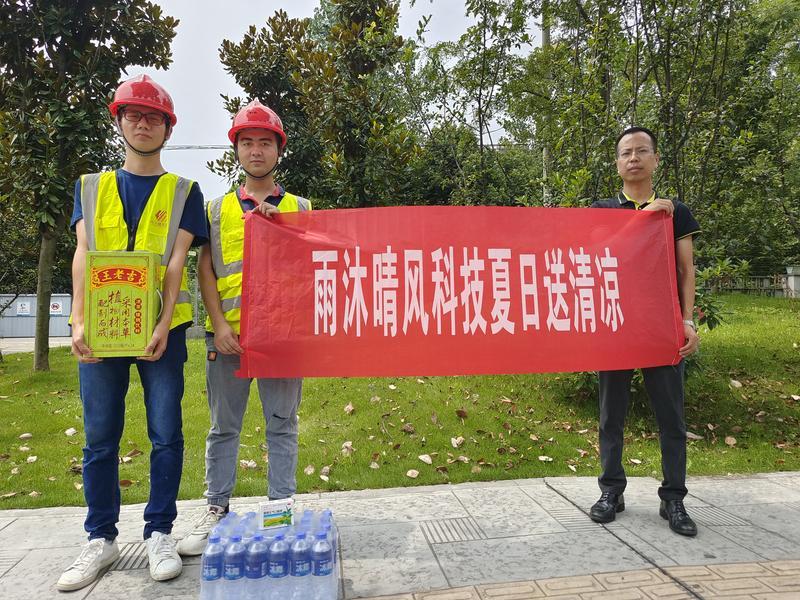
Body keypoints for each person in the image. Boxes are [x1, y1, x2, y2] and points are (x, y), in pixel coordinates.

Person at [58, 74, 208, 591]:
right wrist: (78, 320)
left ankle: (159, 532)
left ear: (168, 128)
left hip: (162, 335)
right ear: (119, 121)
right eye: (134, 115)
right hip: (101, 331)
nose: (143, 125)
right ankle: (100, 538)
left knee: (165, 433)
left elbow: (177, 261)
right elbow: (83, 253)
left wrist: (164, 324)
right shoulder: (90, 187)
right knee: (100, 437)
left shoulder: (185, 191)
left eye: (154, 118)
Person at [177, 100, 311, 556]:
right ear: (236, 150)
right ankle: (216, 507)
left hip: (281, 340)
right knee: (223, 427)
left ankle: (280, 510)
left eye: (265, 143)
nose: (256, 151)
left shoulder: (299, 207)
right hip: (227, 337)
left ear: (278, 150)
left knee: (282, 424)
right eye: (248, 142)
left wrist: (285, 230)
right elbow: (205, 269)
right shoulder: (215, 209)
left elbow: (310, 269)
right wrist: (218, 324)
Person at [588, 126, 700, 537]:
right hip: (615, 325)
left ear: (655, 159)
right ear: (617, 163)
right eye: (625, 153)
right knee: (610, 415)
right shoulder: (601, 210)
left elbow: (685, 270)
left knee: (671, 417)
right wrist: (643, 219)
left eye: (641, 151)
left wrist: (687, 321)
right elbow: (598, 255)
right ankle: (611, 491)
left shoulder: (675, 212)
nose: (633, 158)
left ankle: (673, 498)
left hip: (661, 328)